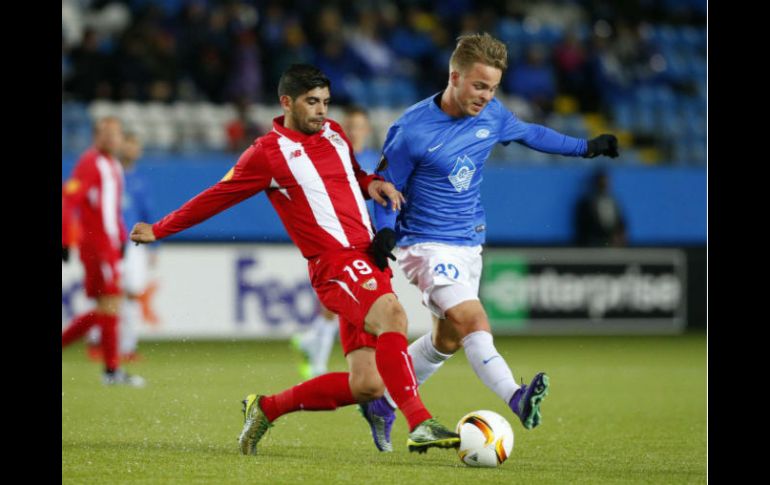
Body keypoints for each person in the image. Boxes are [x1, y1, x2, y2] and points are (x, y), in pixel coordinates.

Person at [130, 64, 459, 455]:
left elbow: (352, 175)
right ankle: (420, 422)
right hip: (334, 264)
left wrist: (373, 184)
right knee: (394, 317)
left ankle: (266, 408)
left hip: (369, 259)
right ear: (286, 102)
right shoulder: (267, 153)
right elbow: (217, 195)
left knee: (367, 385)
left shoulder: (335, 134)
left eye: (325, 102)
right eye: (312, 102)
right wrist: (161, 228)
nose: (322, 111)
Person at [361, 33, 619, 452]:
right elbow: (385, 185)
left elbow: (532, 133)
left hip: (469, 244)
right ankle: (515, 396)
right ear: (454, 76)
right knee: (474, 321)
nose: (486, 96)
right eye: (479, 86)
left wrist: (585, 148)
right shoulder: (411, 129)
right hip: (426, 245)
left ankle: (384, 404)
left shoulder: (493, 116)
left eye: (493, 88)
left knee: (446, 340)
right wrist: (384, 229)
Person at [290, 105, 380, 381]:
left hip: (371, 240)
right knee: (340, 300)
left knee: (348, 303)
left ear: (366, 130)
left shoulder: (375, 162)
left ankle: (312, 343)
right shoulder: (329, 157)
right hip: (340, 240)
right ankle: (318, 361)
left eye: (358, 126)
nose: (354, 131)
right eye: (349, 126)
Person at [62, 117, 145, 387]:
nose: (112, 139)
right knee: (111, 304)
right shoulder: (91, 162)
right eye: (106, 134)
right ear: (96, 137)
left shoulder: (114, 166)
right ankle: (111, 371)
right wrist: (65, 239)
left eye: (116, 134)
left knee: (107, 306)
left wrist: (122, 239)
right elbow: (68, 199)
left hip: (110, 244)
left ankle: (111, 370)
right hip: (97, 245)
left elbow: (112, 210)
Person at [86, 132, 157, 362]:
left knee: (132, 293)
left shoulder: (141, 181)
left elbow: (148, 215)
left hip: (134, 243)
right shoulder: (107, 174)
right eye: (128, 145)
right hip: (109, 241)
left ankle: (127, 346)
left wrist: (155, 247)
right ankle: (98, 342)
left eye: (135, 146)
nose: (131, 150)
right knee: (106, 292)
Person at [574, 168, 627, 247]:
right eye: (601, 183)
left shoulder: (613, 201)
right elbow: (584, 226)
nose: (604, 185)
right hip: (594, 243)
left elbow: (620, 221)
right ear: (595, 183)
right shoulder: (586, 202)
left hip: (613, 243)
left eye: (606, 183)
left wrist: (619, 235)